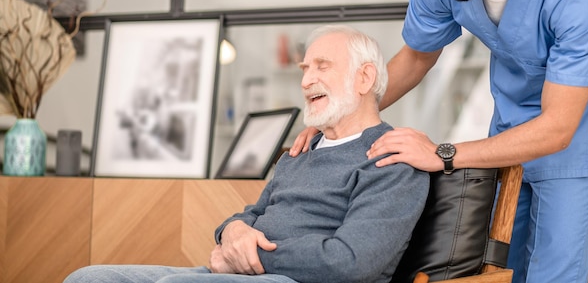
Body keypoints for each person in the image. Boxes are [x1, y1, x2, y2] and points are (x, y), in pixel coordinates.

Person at [291, 0, 588, 283]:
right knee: (495, 264)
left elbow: (557, 128)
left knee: (551, 271)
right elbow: (416, 57)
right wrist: (338, 119)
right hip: (510, 114)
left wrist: (444, 154)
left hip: (575, 127)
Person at [63, 24, 430, 283]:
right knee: (89, 278)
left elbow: (353, 263)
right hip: (247, 272)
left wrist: (245, 255)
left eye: (322, 67)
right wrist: (232, 231)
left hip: (299, 280)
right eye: (304, 69)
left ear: (365, 79)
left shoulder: (391, 157)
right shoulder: (299, 152)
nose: (305, 81)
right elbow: (252, 215)